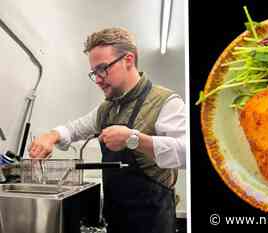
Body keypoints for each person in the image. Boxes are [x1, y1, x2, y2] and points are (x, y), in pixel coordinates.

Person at [29, 27, 186, 233]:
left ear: (128, 60)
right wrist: (51, 136)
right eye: (94, 73)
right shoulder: (107, 108)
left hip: (153, 222)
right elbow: (75, 129)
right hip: (116, 220)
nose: (99, 79)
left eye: (103, 69)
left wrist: (134, 139)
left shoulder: (165, 101)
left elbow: (185, 153)